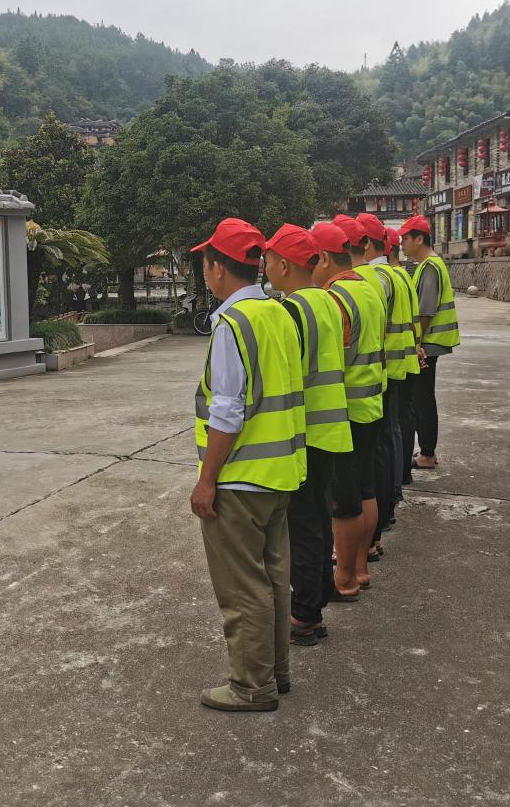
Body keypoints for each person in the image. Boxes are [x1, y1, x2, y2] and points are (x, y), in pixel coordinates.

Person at [190, 218, 307, 713]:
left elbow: (228, 410)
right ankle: (274, 674)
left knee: (243, 587)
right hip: (280, 472)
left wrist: (206, 480)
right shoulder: (278, 312)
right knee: (274, 577)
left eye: (204, 263)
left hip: (239, 477)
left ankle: (250, 686)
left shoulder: (232, 324)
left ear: (217, 269)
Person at [264, 223, 353, 646]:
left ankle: (305, 614)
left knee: (303, 525)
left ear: (283, 264)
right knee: (318, 516)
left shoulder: (291, 311)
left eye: (266, 259)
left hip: (306, 430)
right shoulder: (328, 302)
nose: (263, 266)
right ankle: (319, 595)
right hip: (331, 426)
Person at [310, 221, 388, 599]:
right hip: (373, 402)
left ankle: (343, 578)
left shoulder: (336, 298)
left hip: (347, 412)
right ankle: (360, 566)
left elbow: (335, 357)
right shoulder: (368, 289)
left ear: (324, 258)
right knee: (366, 488)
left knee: (344, 500)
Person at [357, 212, 418, 550]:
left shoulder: (374, 278)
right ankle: (391, 497)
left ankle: (384, 510)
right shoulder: (395, 274)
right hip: (396, 364)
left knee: (382, 444)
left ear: (366, 244)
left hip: (383, 370)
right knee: (392, 435)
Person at [399, 215, 460, 472]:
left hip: (429, 342)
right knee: (423, 397)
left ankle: (426, 453)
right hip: (432, 341)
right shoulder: (429, 265)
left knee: (422, 398)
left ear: (419, 239)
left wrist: (417, 343)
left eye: (405, 238)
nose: (401, 243)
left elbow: (425, 312)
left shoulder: (429, 267)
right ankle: (427, 450)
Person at [387, 226, 423, 489]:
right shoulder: (402, 276)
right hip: (407, 357)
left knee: (396, 425)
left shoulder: (384, 279)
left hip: (394, 363)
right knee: (402, 422)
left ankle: (399, 477)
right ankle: (402, 476)